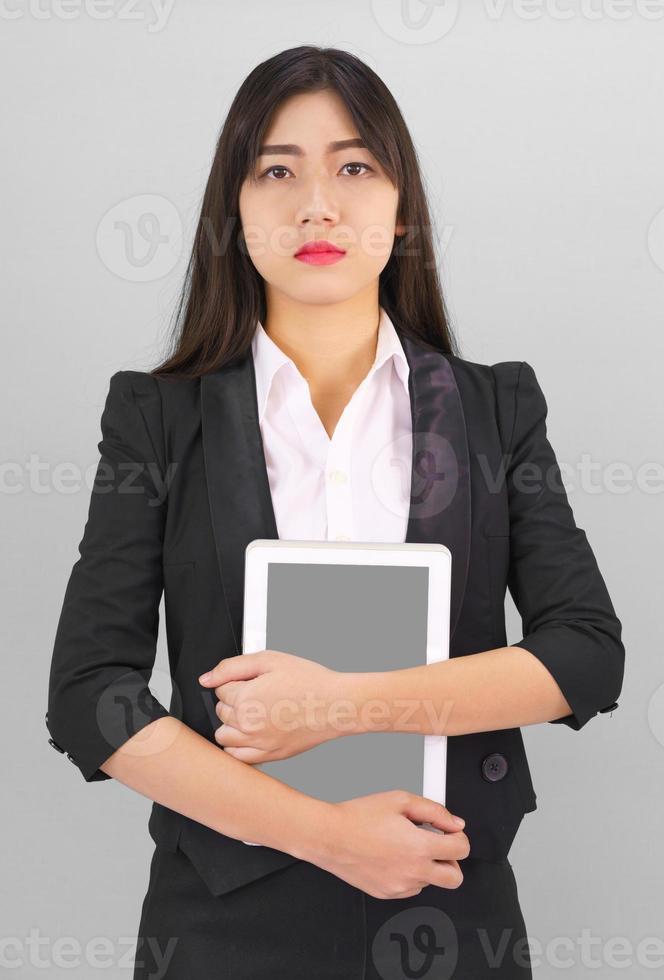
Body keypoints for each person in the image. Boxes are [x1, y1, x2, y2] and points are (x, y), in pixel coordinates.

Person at [46, 45, 625, 979]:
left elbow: (587, 655)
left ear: (402, 208)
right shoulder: (160, 417)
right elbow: (89, 696)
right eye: (277, 170)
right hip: (223, 924)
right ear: (234, 210)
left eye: (355, 167)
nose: (317, 204)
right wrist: (325, 834)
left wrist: (340, 705)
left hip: (449, 903)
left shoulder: (494, 409)